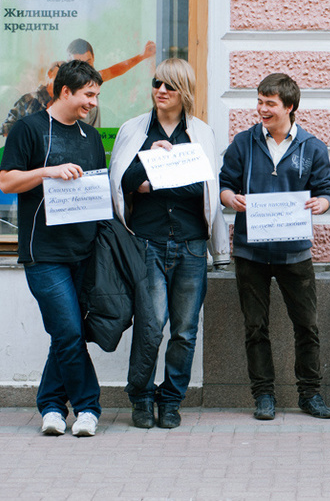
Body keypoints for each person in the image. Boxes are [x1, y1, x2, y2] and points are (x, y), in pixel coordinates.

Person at [109, 58, 230, 429]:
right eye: (157, 83)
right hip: (147, 242)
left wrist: (158, 179)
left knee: (185, 329)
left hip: (192, 245)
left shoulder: (201, 133)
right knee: (150, 325)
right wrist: (152, 163)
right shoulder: (135, 130)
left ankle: (172, 399)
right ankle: (142, 397)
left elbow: (203, 187)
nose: (160, 91)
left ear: (184, 92)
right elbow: (123, 180)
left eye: (169, 86)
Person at [219, 73, 330, 420]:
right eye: (259, 101)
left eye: (269, 103)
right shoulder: (243, 142)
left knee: (307, 325)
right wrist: (231, 199)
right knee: (256, 326)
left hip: (295, 252)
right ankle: (264, 395)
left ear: (290, 107)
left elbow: (326, 191)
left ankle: (310, 394)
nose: (261, 109)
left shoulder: (312, 147)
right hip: (250, 251)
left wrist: (322, 205)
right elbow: (225, 185)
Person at [0, 60, 105, 437]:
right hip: (43, 254)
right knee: (69, 333)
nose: (92, 102)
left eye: (95, 95)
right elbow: (7, 182)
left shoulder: (90, 138)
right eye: (87, 94)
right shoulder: (27, 129)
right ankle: (89, 408)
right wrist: (47, 172)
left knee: (66, 333)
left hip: (84, 253)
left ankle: (52, 407)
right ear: (65, 91)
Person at [67, 38, 157, 127]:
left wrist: (143, 55)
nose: (85, 70)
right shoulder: (64, 88)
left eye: (88, 63)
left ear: (93, 58)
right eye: (78, 65)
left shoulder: (94, 78)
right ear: (69, 63)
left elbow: (117, 69)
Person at [0, 61, 63, 138]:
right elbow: (6, 129)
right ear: (49, 74)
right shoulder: (30, 99)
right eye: (58, 76)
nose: (60, 81)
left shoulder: (66, 103)